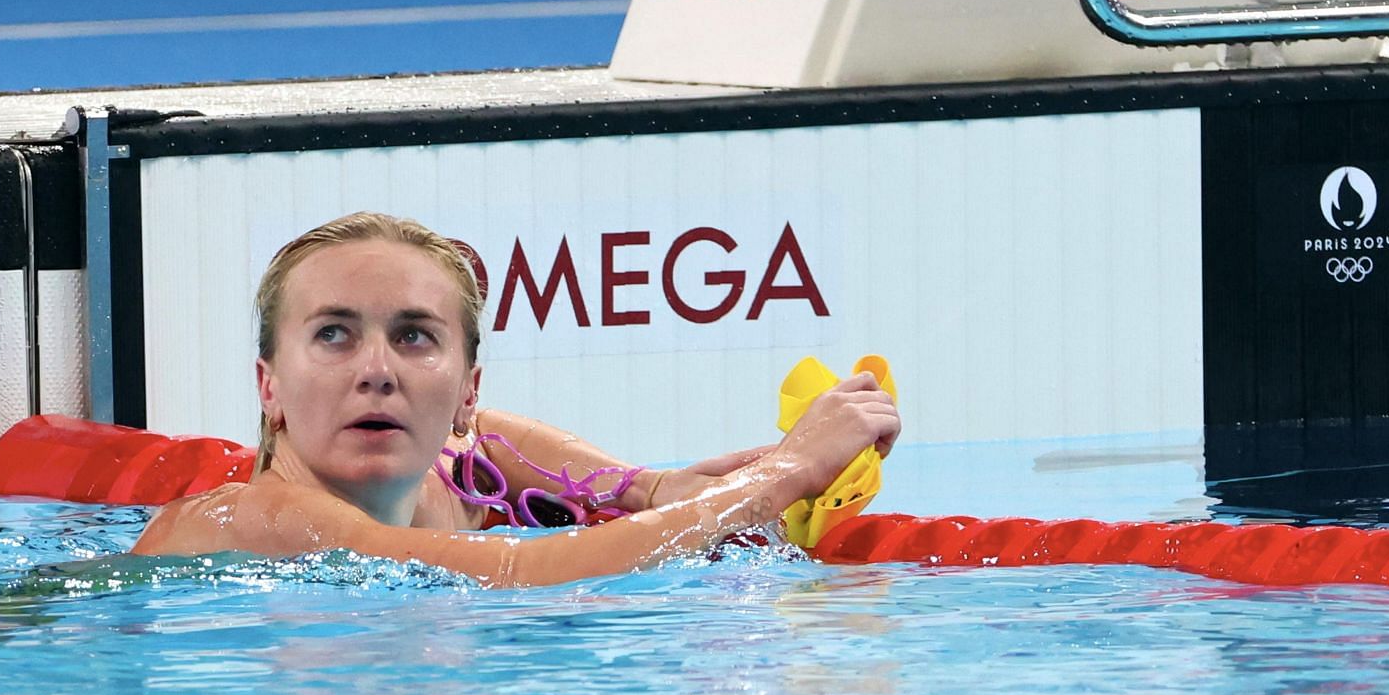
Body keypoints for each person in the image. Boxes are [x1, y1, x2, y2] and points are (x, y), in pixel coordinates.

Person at [132, 212, 900, 587]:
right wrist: (783, 474)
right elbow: (511, 573)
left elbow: (487, 445)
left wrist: (649, 489)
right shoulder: (269, 517)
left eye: (414, 336)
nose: (376, 371)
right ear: (268, 386)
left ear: (466, 391)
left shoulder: (435, 487)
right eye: (333, 335)